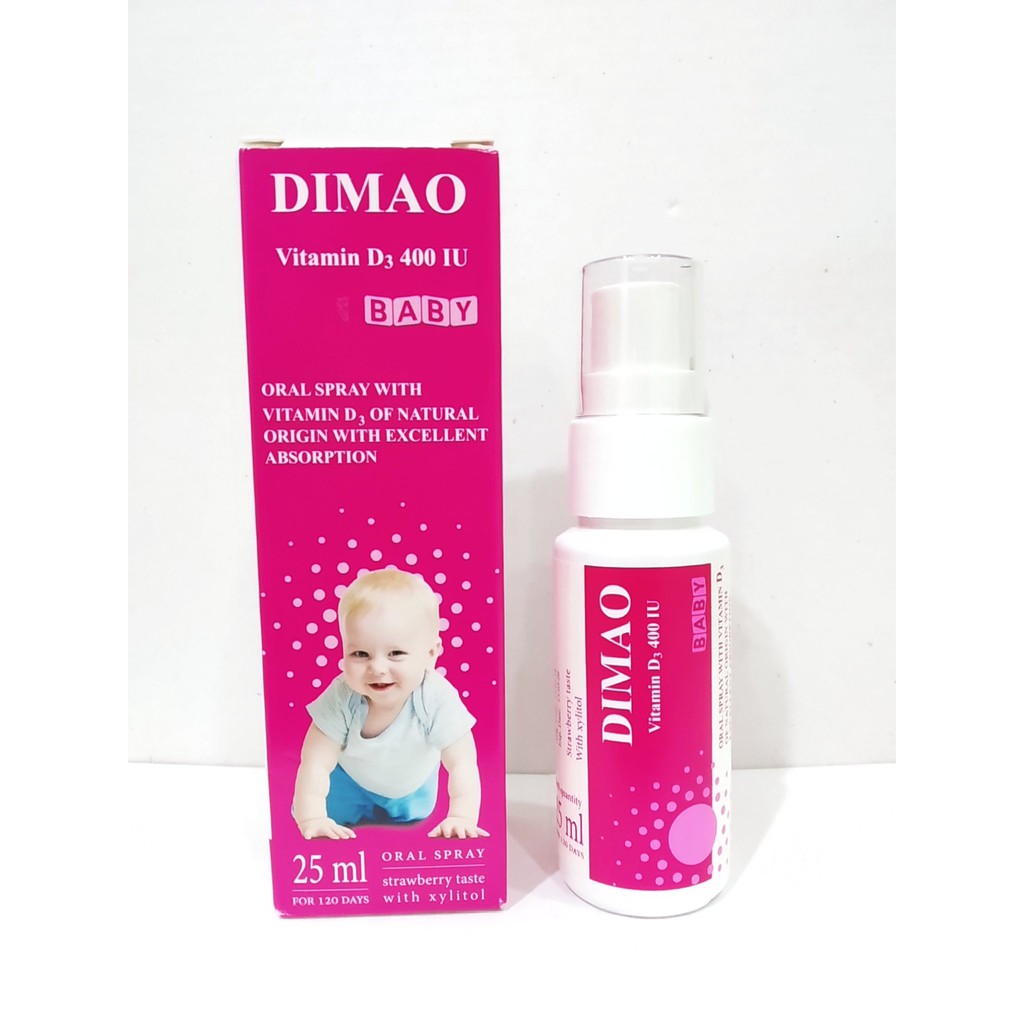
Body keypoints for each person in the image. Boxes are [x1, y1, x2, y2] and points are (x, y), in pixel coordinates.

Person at [292, 568, 488, 840]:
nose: (377, 668)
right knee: (332, 814)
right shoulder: (343, 696)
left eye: (395, 653)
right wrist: (312, 817)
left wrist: (462, 817)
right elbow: (315, 760)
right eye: (360, 653)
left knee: (410, 824)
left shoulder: (434, 697)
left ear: (431, 654)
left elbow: (462, 762)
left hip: (412, 791)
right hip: (349, 783)